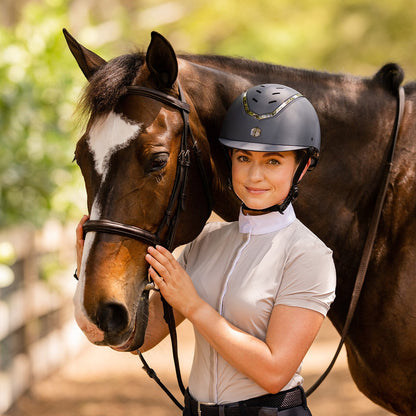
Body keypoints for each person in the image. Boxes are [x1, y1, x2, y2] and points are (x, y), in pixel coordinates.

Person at [77, 84, 336, 416]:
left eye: (273, 161)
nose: (254, 175)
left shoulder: (308, 256)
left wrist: (193, 305)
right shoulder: (204, 242)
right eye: (244, 158)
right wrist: (89, 265)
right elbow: (136, 339)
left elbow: (274, 373)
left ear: (300, 167)